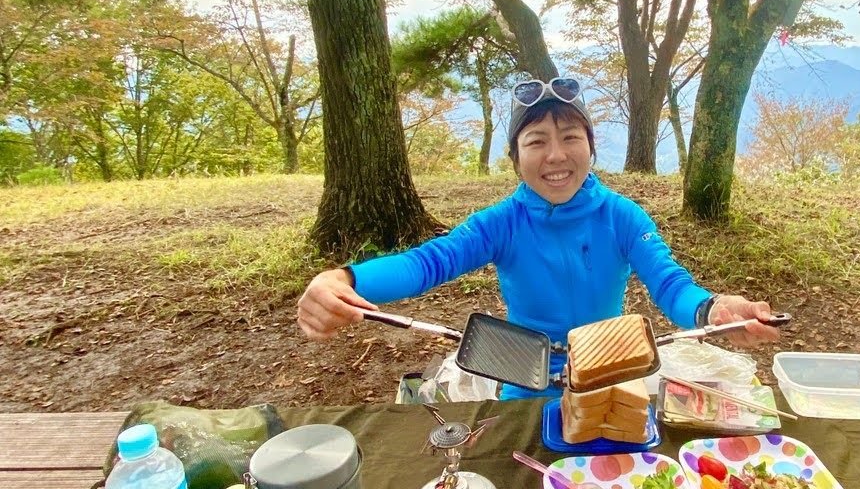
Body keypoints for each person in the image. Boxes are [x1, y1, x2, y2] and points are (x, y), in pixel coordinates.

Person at [296, 76, 782, 392]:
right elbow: (428, 262)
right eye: (537, 141)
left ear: (591, 147)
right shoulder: (500, 223)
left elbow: (670, 284)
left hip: (610, 375)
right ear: (515, 156)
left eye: (571, 137)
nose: (555, 156)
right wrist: (345, 280)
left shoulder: (623, 217)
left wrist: (714, 310)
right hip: (522, 379)